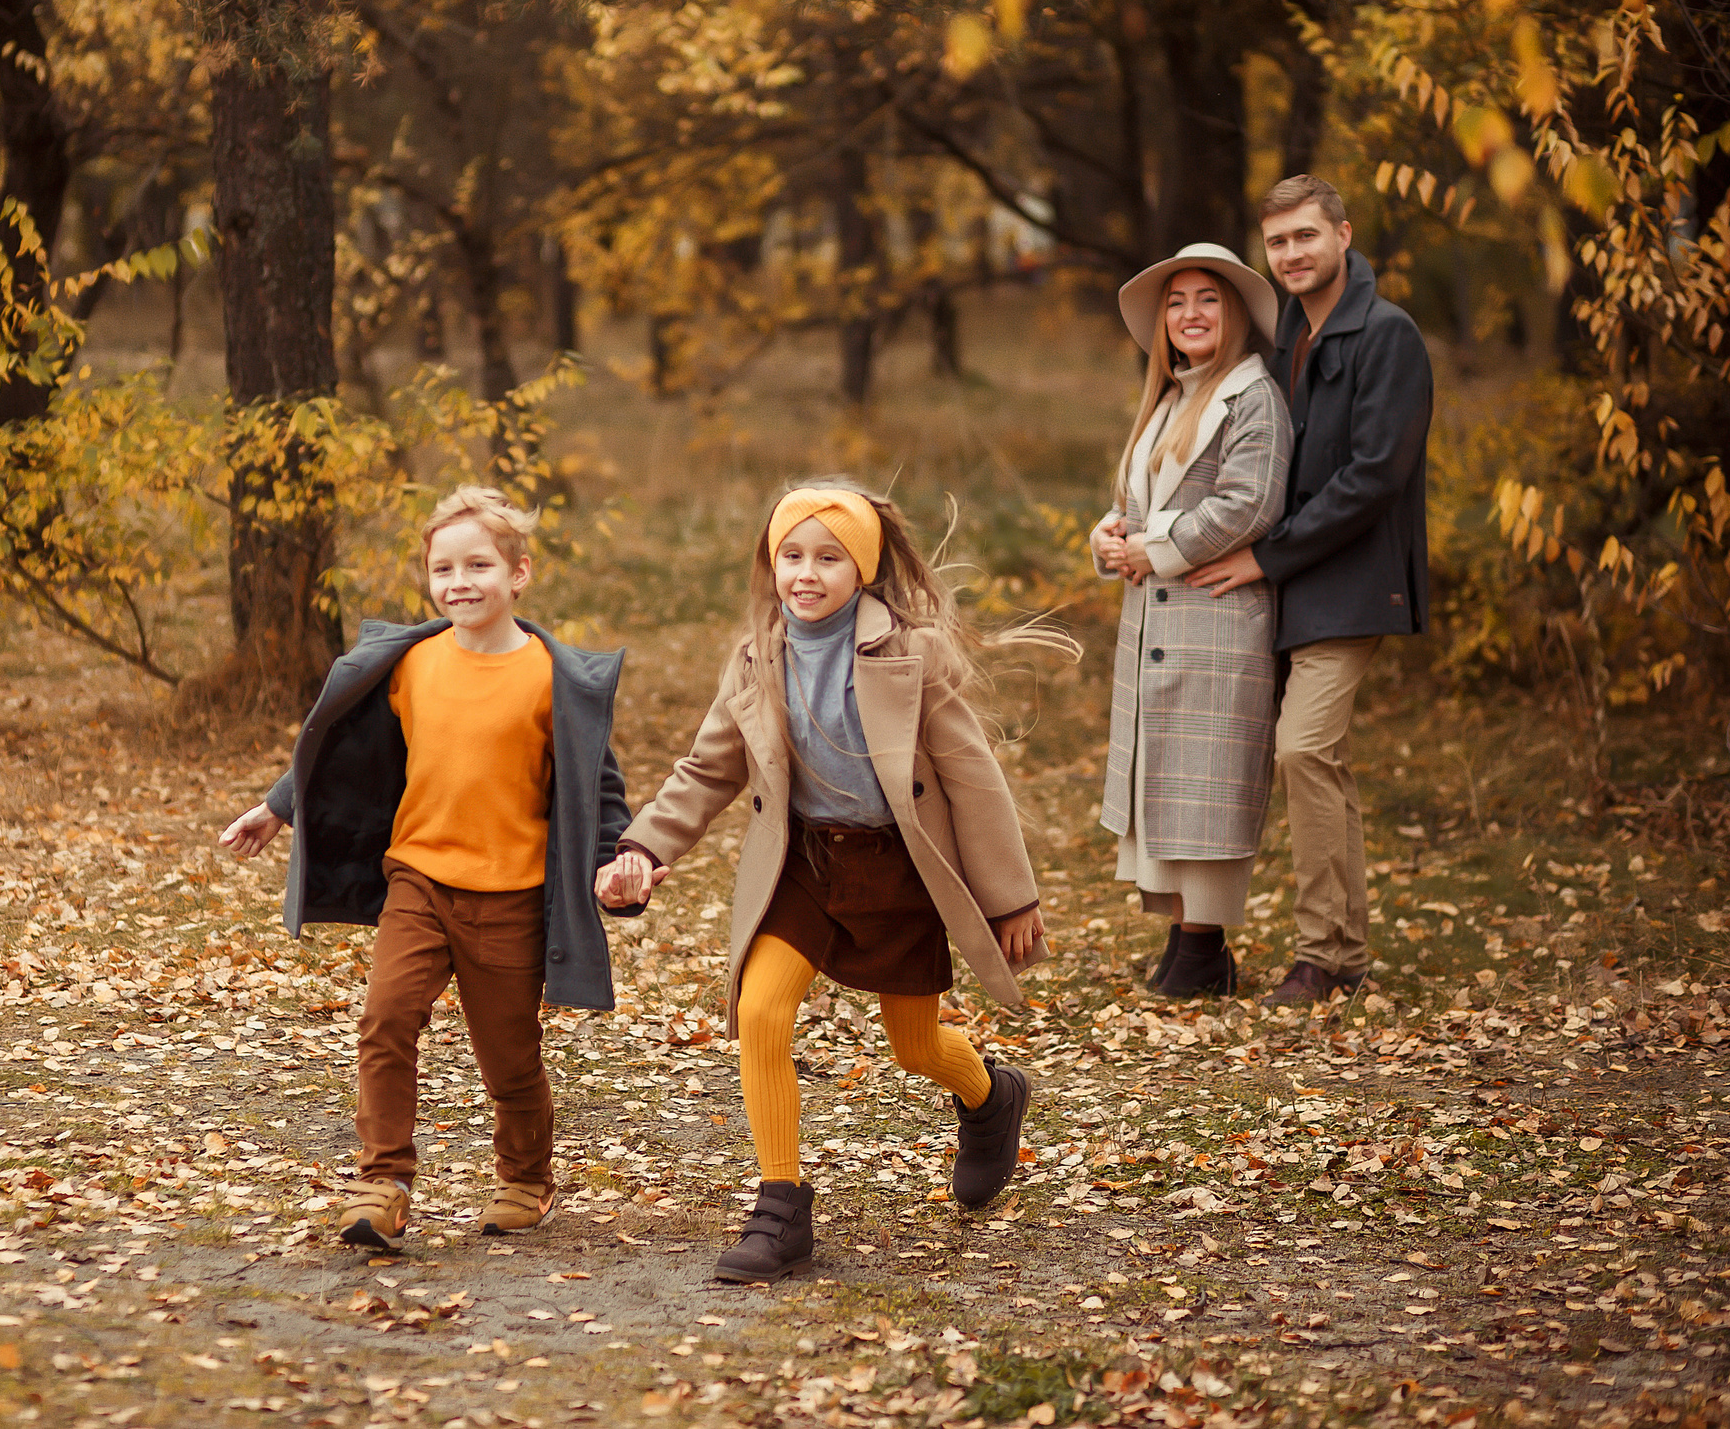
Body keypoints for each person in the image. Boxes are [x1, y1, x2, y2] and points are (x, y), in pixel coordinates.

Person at [596, 480, 1053, 1283]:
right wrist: (643, 847)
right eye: (790, 555)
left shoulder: (913, 653)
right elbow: (708, 769)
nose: (805, 573)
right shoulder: (755, 658)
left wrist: (1011, 896)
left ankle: (989, 1097)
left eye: (828, 557)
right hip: (803, 868)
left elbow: (972, 777)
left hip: (899, 877)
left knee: (914, 1047)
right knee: (762, 1011)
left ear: (864, 569)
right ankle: (781, 1207)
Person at [218, 486, 635, 1250]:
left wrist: (624, 858)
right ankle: (384, 1180)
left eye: (479, 564)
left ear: (520, 573)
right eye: (444, 568)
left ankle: (526, 1178)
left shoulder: (554, 677)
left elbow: (598, 784)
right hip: (417, 879)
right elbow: (340, 750)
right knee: (385, 1018)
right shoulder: (409, 663)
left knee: (508, 1054)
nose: (460, 582)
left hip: (511, 893)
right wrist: (280, 805)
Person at [1183, 176, 1434, 1008]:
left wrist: (1268, 555)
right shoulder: (1287, 329)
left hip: (1351, 580)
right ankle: (1346, 952)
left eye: (1305, 237)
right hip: (1292, 582)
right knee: (1319, 762)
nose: (1291, 254)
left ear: (1343, 236)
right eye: (1278, 241)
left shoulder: (1386, 335)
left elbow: (1374, 478)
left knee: (1303, 749)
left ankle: (1320, 957)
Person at [1087, 243, 1291, 999]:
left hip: (1216, 614)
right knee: (1167, 780)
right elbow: (1138, 501)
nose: (1190, 314)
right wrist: (1109, 535)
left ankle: (1205, 948)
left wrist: (1152, 548)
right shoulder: (1170, 397)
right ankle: (1187, 939)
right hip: (1159, 620)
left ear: (1233, 313)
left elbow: (1249, 503)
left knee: (1207, 782)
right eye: (1176, 302)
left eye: (1208, 299)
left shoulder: (1252, 397)